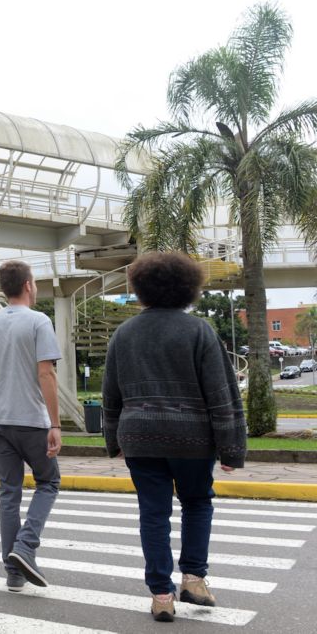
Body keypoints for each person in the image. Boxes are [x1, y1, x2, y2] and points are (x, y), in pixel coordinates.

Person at [102, 251, 246, 623]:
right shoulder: (198, 331)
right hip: (192, 439)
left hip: (139, 436)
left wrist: (113, 440)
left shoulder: (124, 334)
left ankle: (161, 595)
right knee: (197, 503)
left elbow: (110, 395)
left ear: (140, 288)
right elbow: (222, 393)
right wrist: (232, 448)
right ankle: (194, 580)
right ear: (188, 287)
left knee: (153, 513)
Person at [0, 260, 62, 593]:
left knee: (9, 493)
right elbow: (46, 373)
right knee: (49, 482)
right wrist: (55, 424)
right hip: (32, 421)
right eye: (35, 283)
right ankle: (25, 546)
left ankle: (14, 573)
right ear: (28, 285)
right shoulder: (39, 321)